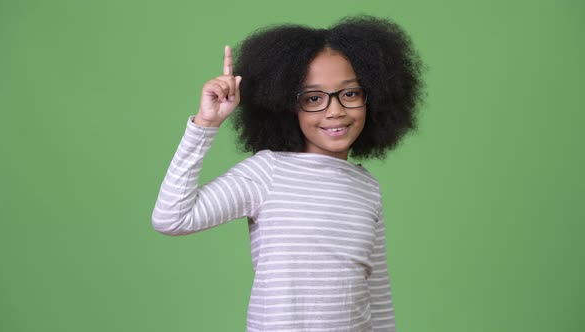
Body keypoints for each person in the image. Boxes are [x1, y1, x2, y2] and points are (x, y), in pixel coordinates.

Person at [152, 15, 424, 332]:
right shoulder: (267, 172)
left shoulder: (366, 187)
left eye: (349, 94)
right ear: (284, 104)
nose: (334, 110)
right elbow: (172, 217)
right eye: (312, 98)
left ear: (373, 97)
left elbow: (377, 293)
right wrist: (205, 125)